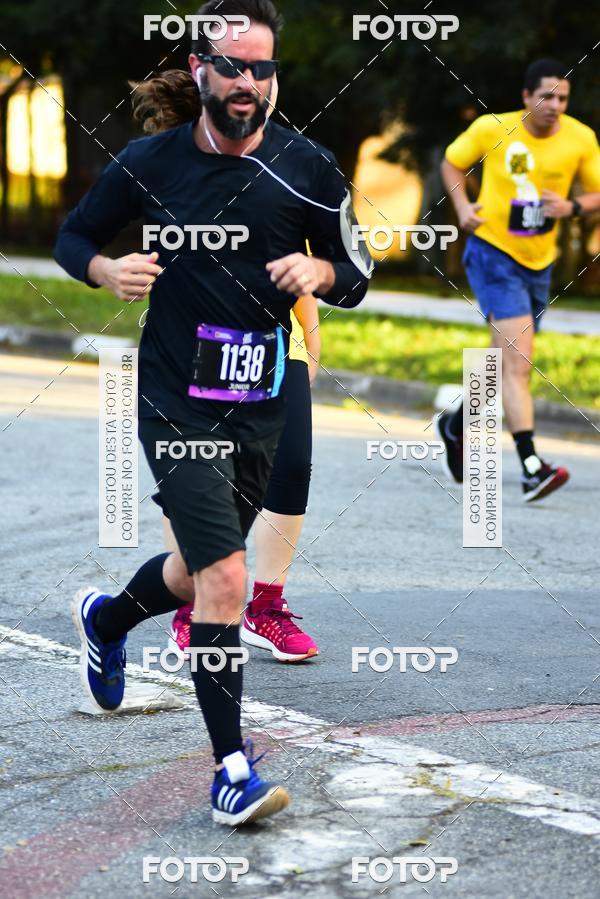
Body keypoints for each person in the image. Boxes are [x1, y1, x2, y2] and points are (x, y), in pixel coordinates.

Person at [54, 0, 372, 826]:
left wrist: (324, 278)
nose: (246, 82)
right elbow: (71, 236)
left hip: (259, 398)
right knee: (228, 577)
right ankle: (231, 767)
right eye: (231, 66)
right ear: (200, 70)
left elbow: (357, 264)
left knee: (201, 570)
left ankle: (109, 615)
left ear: (274, 77)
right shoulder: (150, 161)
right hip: (173, 396)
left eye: (261, 68)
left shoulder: (308, 167)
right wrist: (102, 269)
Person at [131, 69, 321, 663]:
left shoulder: (284, 167)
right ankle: (192, 606)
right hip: (190, 353)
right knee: (195, 482)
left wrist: (310, 347)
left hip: (271, 351)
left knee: (289, 473)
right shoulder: (171, 174)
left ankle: (265, 605)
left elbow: (301, 269)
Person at [437, 58, 600, 501]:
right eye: (547, 96)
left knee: (498, 367)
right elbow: (452, 163)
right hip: (493, 253)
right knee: (518, 363)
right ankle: (531, 465)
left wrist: (573, 208)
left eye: (563, 97)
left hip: (538, 262)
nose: (555, 106)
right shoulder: (493, 128)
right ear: (527, 96)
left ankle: (453, 426)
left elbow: (596, 192)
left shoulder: (580, 138)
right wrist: (464, 208)